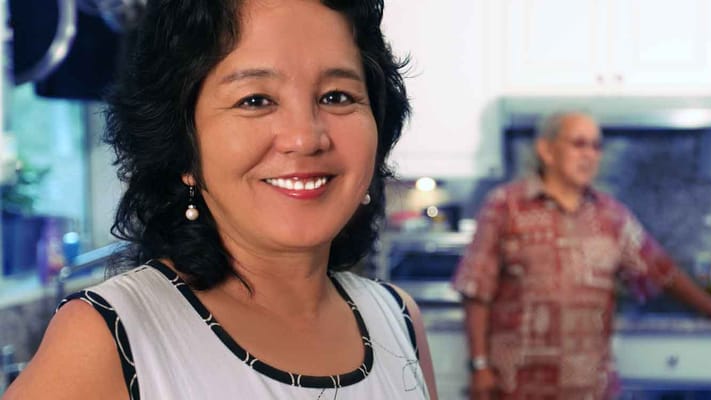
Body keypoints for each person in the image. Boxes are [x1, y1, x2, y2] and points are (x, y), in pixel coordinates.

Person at [4, 1, 437, 399]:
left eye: (336, 97)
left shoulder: (396, 318)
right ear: (183, 146)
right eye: (255, 100)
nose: (306, 137)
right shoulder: (112, 337)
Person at [452, 111, 711, 399]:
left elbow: (662, 271)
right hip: (516, 386)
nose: (590, 154)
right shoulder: (505, 206)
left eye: (597, 146)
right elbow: (477, 289)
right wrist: (479, 365)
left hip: (588, 387)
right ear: (546, 151)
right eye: (579, 144)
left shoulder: (611, 216)